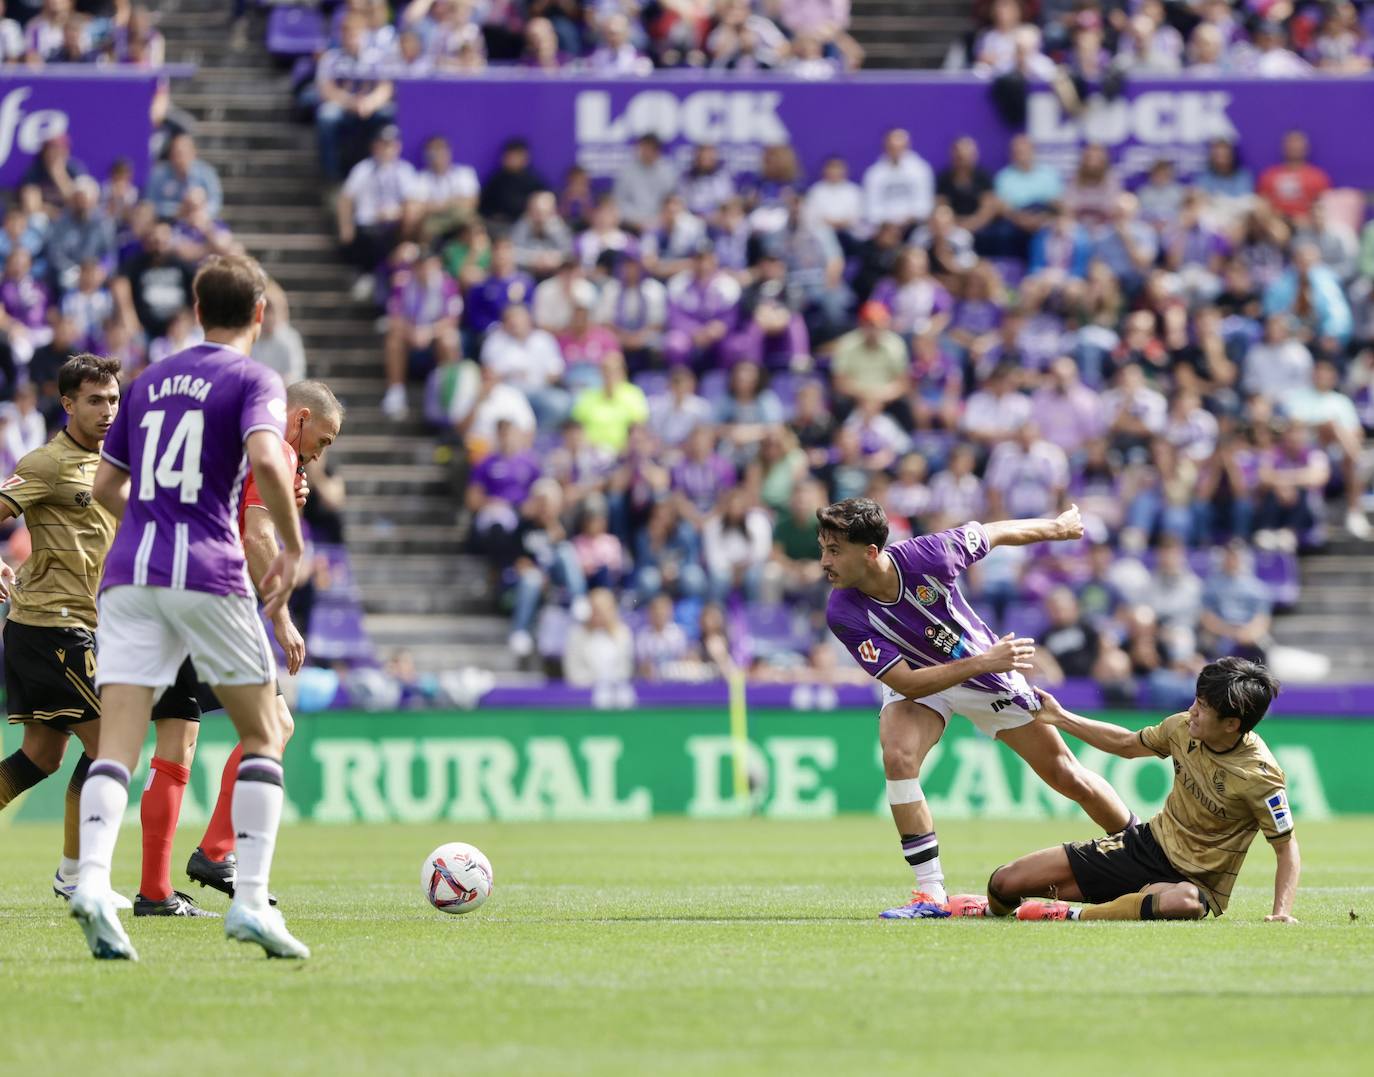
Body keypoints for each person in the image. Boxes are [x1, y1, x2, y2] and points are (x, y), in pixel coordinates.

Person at [71, 254, 309, 961]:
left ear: (196, 308)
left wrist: (153, 515)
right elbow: (269, 460)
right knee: (267, 731)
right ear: (259, 314)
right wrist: (292, 548)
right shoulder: (253, 377)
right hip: (208, 568)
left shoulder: (144, 382)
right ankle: (252, 901)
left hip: (132, 570)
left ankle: (90, 880)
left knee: (118, 744)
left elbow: (107, 486)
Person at [818, 497, 1132, 918]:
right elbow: (904, 681)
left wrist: (1057, 529)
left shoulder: (929, 554)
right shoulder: (842, 610)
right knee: (898, 755)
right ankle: (930, 895)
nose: (824, 561)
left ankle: (1141, 850)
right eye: (823, 548)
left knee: (1067, 775)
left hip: (986, 679)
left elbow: (995, 531)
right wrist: (987, 659)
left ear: (871, 552)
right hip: (928, 678)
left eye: (834, 550)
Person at [145, 381, 343, 916]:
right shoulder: (272, 445)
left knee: (175, 740)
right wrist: (280, 618)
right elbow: (255, 539)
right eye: (321, 440)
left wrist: (285, 502)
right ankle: (218, 853)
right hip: (214, 597)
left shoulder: (231, 442)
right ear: (299, 419)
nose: (318, 454)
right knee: (274, 725)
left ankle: (153, 891)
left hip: (162, 585)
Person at [985, 660, 1298, 923]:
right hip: (1146, 847)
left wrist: (1280, 913)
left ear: (1231, 724)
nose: (1192, 711)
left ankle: (1073, 916)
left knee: (1185, 902)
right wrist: (1060, 717)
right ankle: (987, 909)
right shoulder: (1181, 727)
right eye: (1195, 701)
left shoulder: (1260, 776)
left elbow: (1286, 848)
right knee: (1004, 884)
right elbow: (1125, 744)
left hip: (1197, 882)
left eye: (1202, 708)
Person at [0, 355, 125, 907]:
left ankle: (74, 874)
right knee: (110, 749)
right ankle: (77, 876)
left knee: (41, 758)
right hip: (50, 627)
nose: (107, 411)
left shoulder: (117, 466)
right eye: (95, 400)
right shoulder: (47, 463)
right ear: (68, 403)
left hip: (74, 624)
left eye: (114, 400)